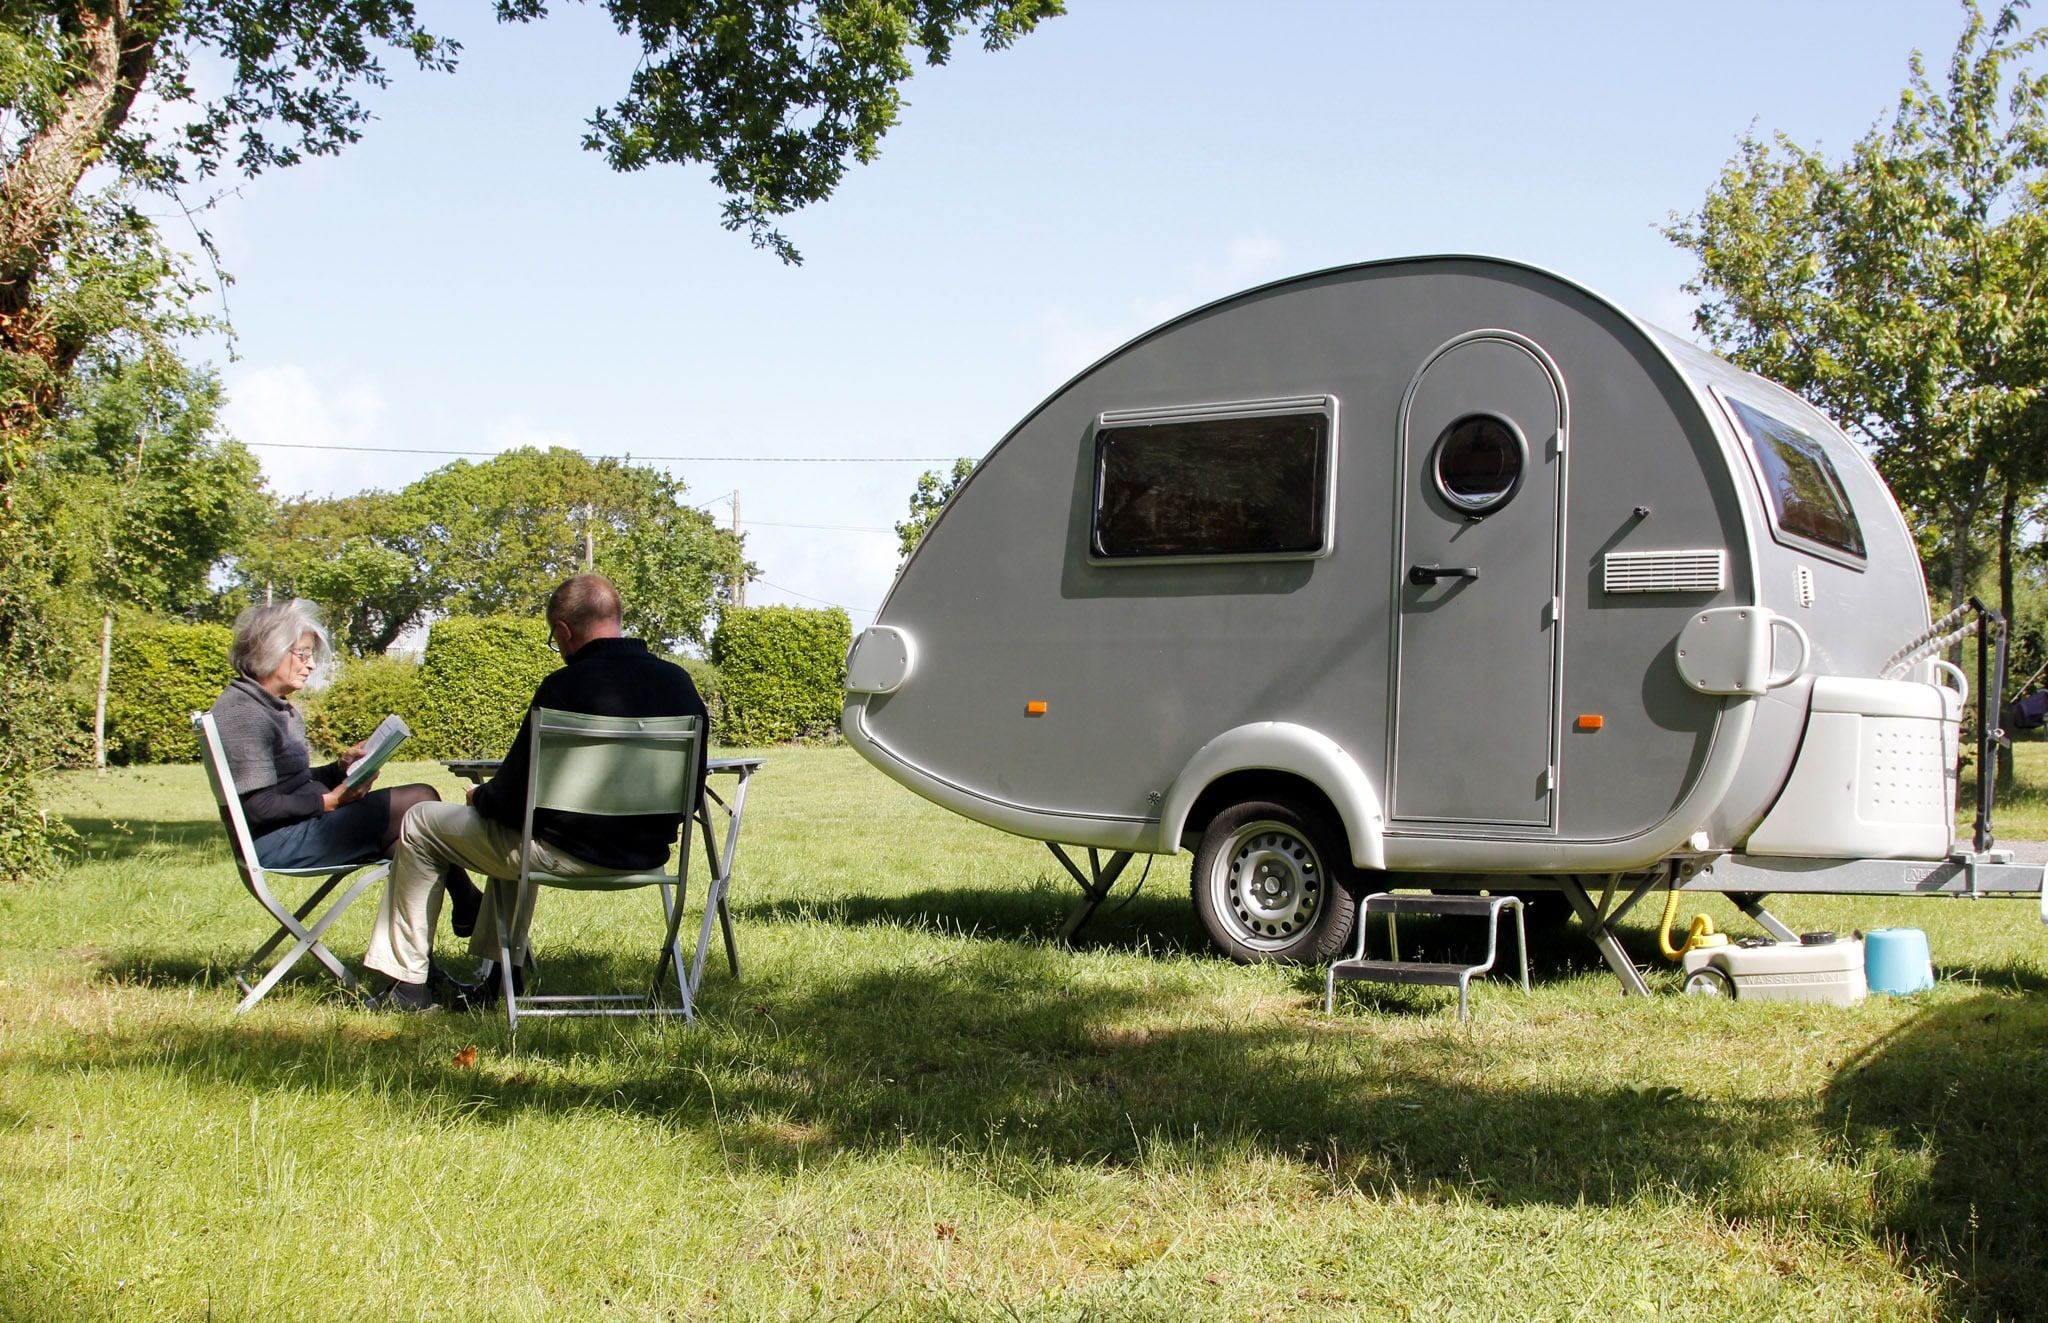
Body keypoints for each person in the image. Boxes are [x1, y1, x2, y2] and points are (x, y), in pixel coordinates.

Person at [362, 573, 709, 1012]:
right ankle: (501, 978)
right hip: (648, 858)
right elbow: (692, 796)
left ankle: (406, 985)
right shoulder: (679, 684)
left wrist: (481, 797)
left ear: (564, 632)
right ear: (617, 618)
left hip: (559, 855)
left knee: (421, 822)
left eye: (555, 638)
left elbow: (511, 801)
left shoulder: (562, 688)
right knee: (516, 832)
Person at [208, 599, 482, 940]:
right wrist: (330, 802)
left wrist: (339, 769)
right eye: (303, 654)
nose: (310, 666)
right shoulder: (244, 713)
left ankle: (412, 976)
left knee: (411, 845)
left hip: (299, 828)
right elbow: (258, 807)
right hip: (278, 842)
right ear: (271, 650)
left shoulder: (274, 707)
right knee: (419, 799)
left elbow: (292, 783)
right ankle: (470, 903)